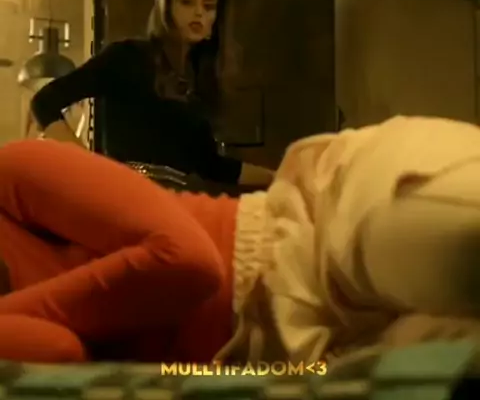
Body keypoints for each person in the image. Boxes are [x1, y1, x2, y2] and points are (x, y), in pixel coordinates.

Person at [0, 116, 480, 364]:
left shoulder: (12, 171)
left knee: (466, 251)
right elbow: (60, 351)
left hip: (307, 239)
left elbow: (187, 263)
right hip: (303, 359)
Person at [30, 0, 274, 188]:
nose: (199, 13)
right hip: (125, 193)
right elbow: (44, 102)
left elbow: (212, 166)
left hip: (174, 200)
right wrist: (90, 166)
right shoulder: (127, 56)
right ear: (166, 8)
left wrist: (279, 177)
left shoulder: (200, 81)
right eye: (187, 2)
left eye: (208, 7)